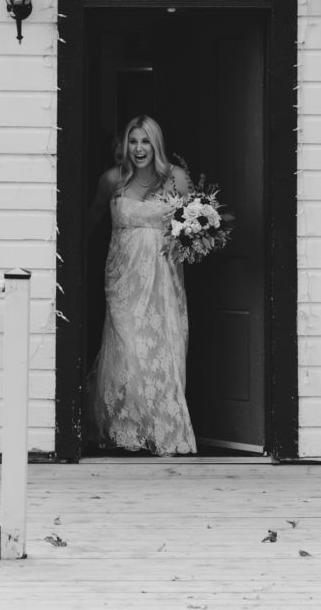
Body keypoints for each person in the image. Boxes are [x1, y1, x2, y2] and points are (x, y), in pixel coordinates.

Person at [85, 115, 197, 456]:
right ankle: (127, 428)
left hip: (164, 279)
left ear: (156, 144)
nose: (138, 149)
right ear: (124, 146)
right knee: (128, 349)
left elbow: (194, 226)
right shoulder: (111, 180)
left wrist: (199, 234)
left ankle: (163, 429)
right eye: (133, 141)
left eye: (145, 141)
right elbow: (89, 224)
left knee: (165, 349)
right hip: (123, 277)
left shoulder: (176, 178)